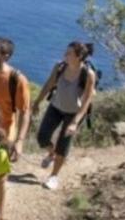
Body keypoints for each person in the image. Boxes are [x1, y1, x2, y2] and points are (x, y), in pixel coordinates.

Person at [31, 41, 98, 190]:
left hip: (74, 113)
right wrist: (37, 102)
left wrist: (76, 121)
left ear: (79, 56)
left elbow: (87, 99)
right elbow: (49, 84)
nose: (65, 55)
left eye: (69, 53)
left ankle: (53, 176)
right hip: (55, 107)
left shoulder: (88, 74)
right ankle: (51, 153)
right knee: (42, 137)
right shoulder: (60, 67)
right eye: (66, 52)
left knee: (63, 145)